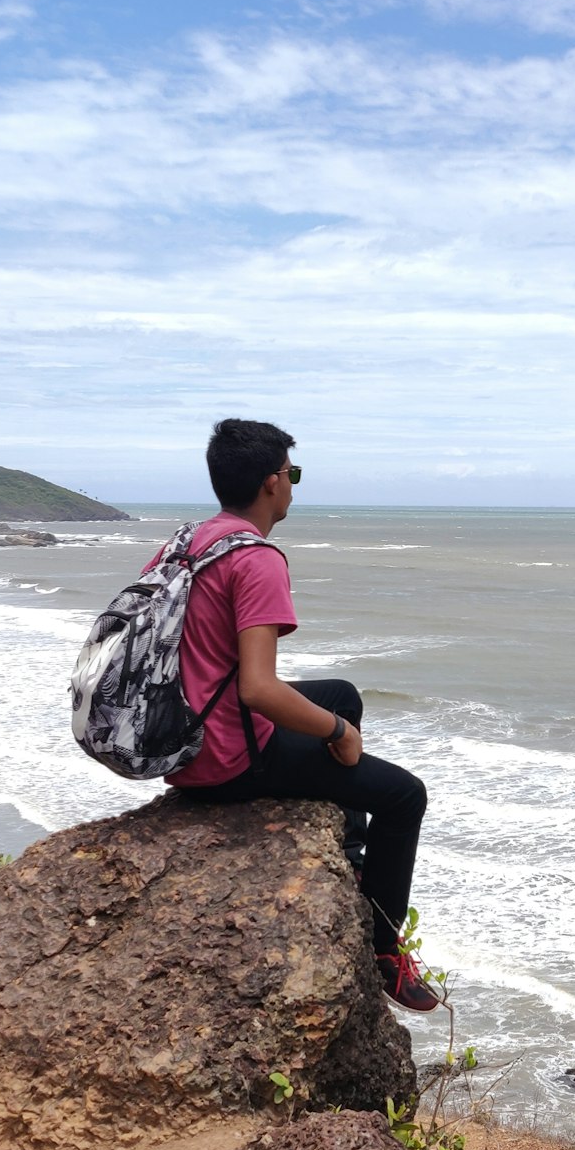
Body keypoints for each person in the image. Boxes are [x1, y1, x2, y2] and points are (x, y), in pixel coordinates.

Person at [150, 416, 441, 1014]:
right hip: (227, 760)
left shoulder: (187, 543)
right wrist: (340, 734)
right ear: (270, 484)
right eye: (292, 474)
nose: (293, 486)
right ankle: (384, 949)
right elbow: (258, 689)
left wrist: (335, 714)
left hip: (178, 736)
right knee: (405, 795)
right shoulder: (256, 560)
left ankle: (353, 866)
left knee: (340, 689)